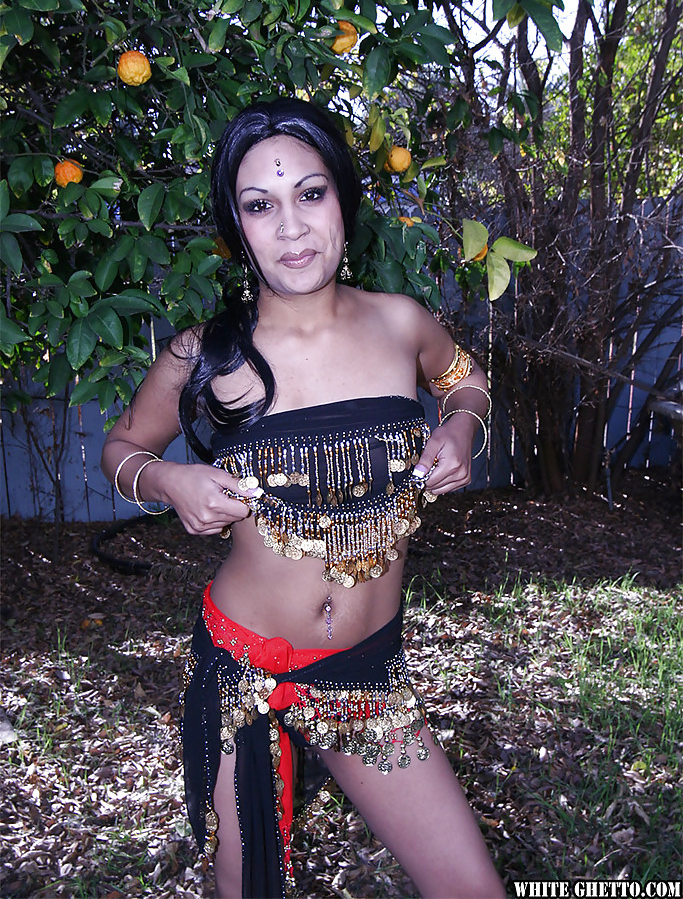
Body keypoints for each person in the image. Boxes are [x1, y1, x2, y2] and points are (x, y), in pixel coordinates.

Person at [101, 98, 504, 899]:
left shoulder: (400, 324)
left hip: (365, 675)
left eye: (310, 194)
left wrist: (461, 428)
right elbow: (122, 449)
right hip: (240, 671)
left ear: (343, 201)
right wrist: (170, 481)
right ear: (236, 226)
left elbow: (465, 381)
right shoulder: (206, 356)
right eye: (260, 205)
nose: (290, 227)